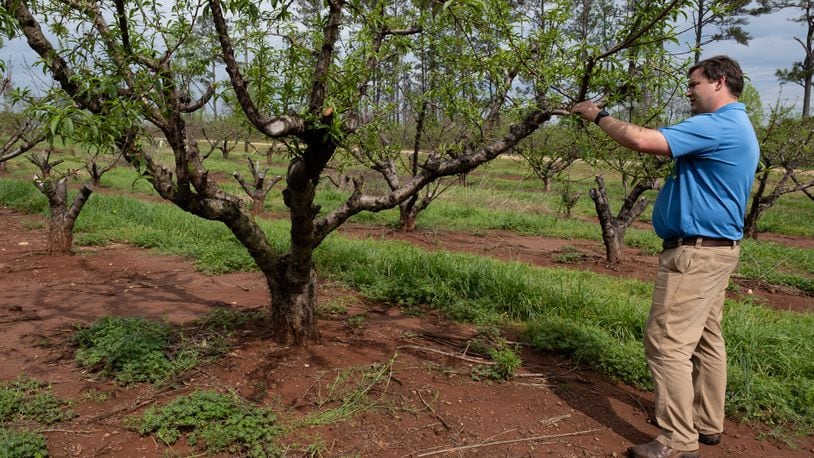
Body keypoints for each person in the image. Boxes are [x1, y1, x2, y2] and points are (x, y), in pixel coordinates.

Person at [571, 55, 759, 458]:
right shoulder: (740, 125)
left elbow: (641, 140)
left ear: (719, 82)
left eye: (693, 84)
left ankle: (678, 440)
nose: (688, 92)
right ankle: (707, 423)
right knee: (707, 338)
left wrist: (598, 115)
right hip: (716, 252)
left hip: (695, 255)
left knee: (666, 343)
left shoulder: (717, 125)